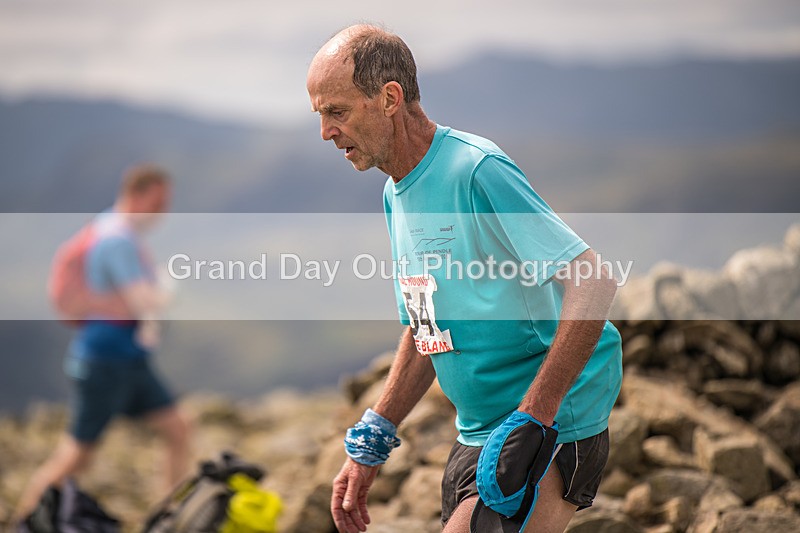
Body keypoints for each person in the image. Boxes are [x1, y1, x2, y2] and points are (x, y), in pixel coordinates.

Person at [307, 25, 623, 533]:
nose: (325, 132)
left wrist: (534, 416)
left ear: (389, 98)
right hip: (478, 430)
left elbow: (594, 282)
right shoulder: (396, 194)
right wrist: (375, 434)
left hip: (550, 423)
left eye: (336, 112)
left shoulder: (475, 170)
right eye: (320, 115)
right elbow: (427, 324)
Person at [14, 164, 191, 520]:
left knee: (178, 430)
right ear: (137, 195)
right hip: (106, 360)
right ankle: (22, 520)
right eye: (158, 203)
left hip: (129, 358)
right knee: (77, 455)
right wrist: (167, 287)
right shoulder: (117, 240)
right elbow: (143, 300)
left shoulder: (108, 225)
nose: (162, 213)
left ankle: (171, 518)